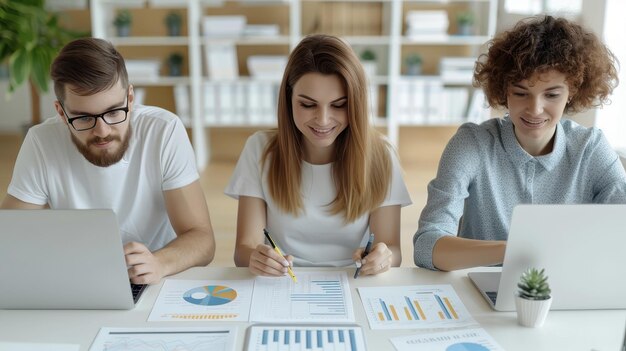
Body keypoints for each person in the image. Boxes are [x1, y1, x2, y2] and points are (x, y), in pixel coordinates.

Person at [414, 15, 626, 271]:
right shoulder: (472, 145)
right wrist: (515, 250)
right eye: (521, 93)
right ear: (504, 90)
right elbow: (427, 246)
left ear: (573, 91)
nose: (535, 109)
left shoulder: (590, 149)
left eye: (552, 95)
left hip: (566, 292)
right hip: (481, 293)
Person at [0, 38, 216, 284]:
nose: (102, 131)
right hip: (75, 278)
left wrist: (159, 263)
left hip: (154, 279)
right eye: (83, 118)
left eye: (114, 112)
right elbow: (9, 237)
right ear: (61, 112)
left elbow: (202, 240)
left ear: (131, 98)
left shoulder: (163, 130)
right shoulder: (41, 141)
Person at [225, 34, 411, 277]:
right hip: (282, 283)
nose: (323, 120)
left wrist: (384, 257)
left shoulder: (381, 155)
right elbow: (243, 251)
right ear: (288, 99)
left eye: (339, 105)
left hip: (353, 281)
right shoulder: (259, 150)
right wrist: (257, 258)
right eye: (308, 105)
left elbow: (392, 249)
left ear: (355, 103)